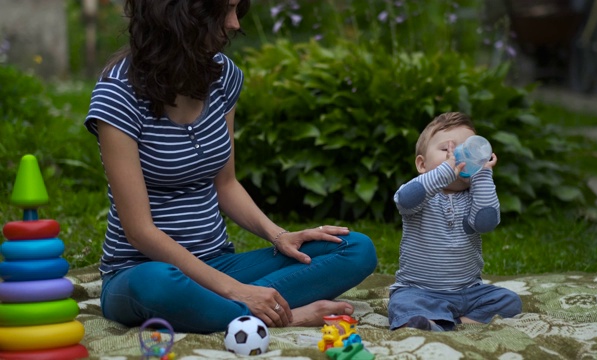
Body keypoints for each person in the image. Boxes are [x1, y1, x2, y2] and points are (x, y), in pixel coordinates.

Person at [83, 0, 377, 334]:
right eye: (224, 10)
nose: (235, 23)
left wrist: (279, 236)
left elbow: (226, 184)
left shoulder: (223, 76)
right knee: (158, 284)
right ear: (181, 12)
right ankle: (286, 314)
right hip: (141, 271)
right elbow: (140, 231)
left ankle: (235, 309)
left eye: (237, 9)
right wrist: (235, 290)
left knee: (355, 249)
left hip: (218, 262)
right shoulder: (118, 94)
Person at [387, 112, 521, 332]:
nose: (459, 157)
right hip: (420, 290)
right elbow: (405, 200)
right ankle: (426, 321)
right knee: (403, 304)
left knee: (510, 301)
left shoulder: (474, 197)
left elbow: (485, 223)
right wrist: (445, 172)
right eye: (446, 150)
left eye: (468, 151)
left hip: (468, 292)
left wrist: (483, 175)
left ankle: (452, 324)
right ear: (422, 165)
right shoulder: (421, 194)